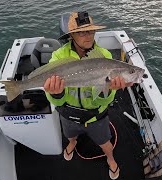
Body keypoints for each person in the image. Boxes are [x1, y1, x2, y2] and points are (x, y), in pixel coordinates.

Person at [43, 11, 132, 180]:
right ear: (71, 36)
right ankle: (72, 143)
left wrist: (109, 89)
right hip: (68, 114)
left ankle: (111, 159)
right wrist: (57, 93)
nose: (88, 36)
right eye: (81, 32)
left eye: (90, 31)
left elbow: (106, 100)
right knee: (70, 135)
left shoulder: (105, 56)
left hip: (95, 117)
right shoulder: (58, 57)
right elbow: (55, 99)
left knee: (105, 142)